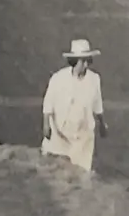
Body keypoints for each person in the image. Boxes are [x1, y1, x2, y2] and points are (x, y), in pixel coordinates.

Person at [42, 38, 107, 172]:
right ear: (74, 61)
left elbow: (97, 105)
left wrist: (102, 125)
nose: (85, 65)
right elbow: (48, 102)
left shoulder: (94, 79)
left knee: (82, 171)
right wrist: (46, 124)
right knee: (58, 172)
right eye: (82, 61)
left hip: (83, 135)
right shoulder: (58, 78)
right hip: (60, 132)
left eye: (88, 61)